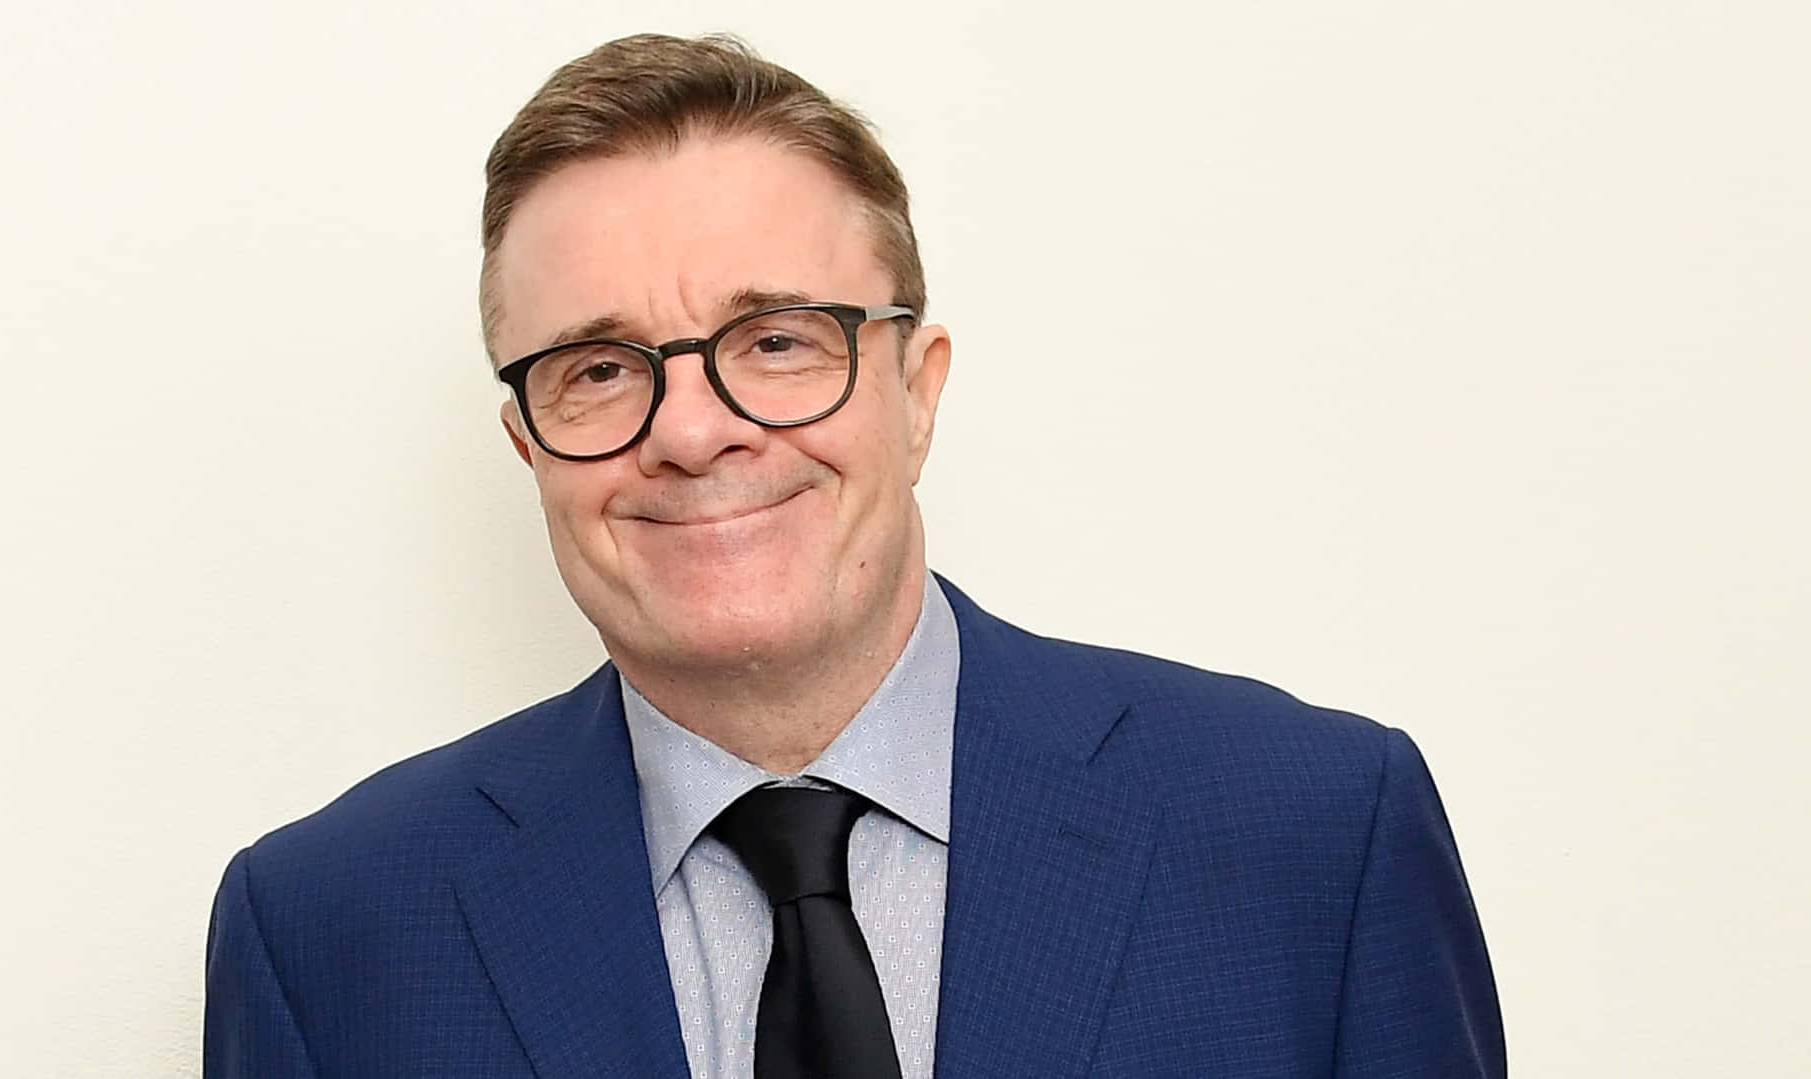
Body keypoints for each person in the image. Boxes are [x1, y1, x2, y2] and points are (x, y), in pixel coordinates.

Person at [204, 32, 1504, 1078]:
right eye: (600, 369)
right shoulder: (330, 930)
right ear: (529, 445)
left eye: (776, 340)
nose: (696, 432)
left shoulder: (1312, 834)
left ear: (917, 389)